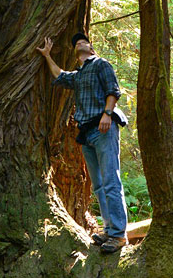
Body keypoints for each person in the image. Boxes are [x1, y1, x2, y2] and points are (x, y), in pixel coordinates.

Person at [37, 33, 129, 254]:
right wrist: (47, 56)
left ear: (91, 47)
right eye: (75, 43)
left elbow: (113, 90)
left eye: (83, 41)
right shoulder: (78, 75)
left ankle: (118, 235)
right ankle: (108, 229)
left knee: (110, 181)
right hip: (87, 133)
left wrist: (107, 114)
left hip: (103, 127)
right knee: (98, 184)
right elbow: (59, 76)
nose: (79, 43)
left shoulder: (101, 64)